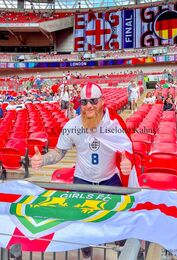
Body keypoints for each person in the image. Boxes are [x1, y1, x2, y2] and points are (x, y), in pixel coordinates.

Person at [31, 83, 136, 259]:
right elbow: (59, 152)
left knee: (119, 224)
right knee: (83, 227)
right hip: (82, 181)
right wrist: (43, 160)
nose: (89, 106)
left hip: (110, 181)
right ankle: (86, 253)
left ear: (102, 101)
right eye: (84, 101)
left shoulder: (114, 124)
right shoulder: (72, 126)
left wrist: (128, 163)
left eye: (93, 101)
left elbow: (128, 150)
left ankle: (123, 252)